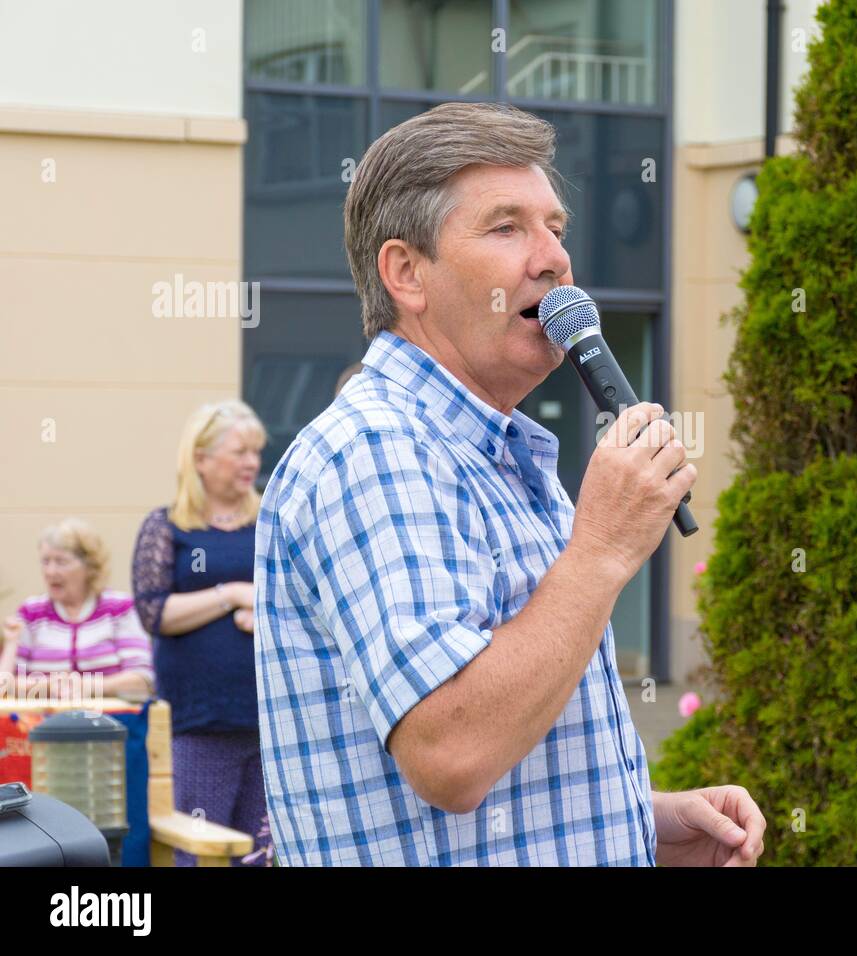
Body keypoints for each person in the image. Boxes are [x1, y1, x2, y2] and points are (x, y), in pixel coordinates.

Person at [256, 102, 766, 866]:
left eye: (555, 228)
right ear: (406, 273)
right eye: (507, 227)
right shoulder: (376, 451)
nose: (555, 257)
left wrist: (642, 823)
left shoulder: (500, 455)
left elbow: (507, 741)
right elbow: (453, 750)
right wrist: (599, 552)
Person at [131, 399, 270, 866]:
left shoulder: (269, 521)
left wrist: (260, 608)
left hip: (266, 720)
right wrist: (231, 594)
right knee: (196, 851)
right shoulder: (167, 527)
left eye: (256, 452)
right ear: (201, 459)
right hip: (199, 723)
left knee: (254, 855)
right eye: (240, 452)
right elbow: (155, 612)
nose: (252, 462)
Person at [1, 518, 153, 702]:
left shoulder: (119, 609)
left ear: (89, 566)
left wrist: (88, 687)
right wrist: (50, 685)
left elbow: (142, 680)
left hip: (109, 723)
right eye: (45, 561)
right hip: (43, 724)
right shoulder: (31, 613)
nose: (50, 571)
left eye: (61, 562)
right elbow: (4, 686)